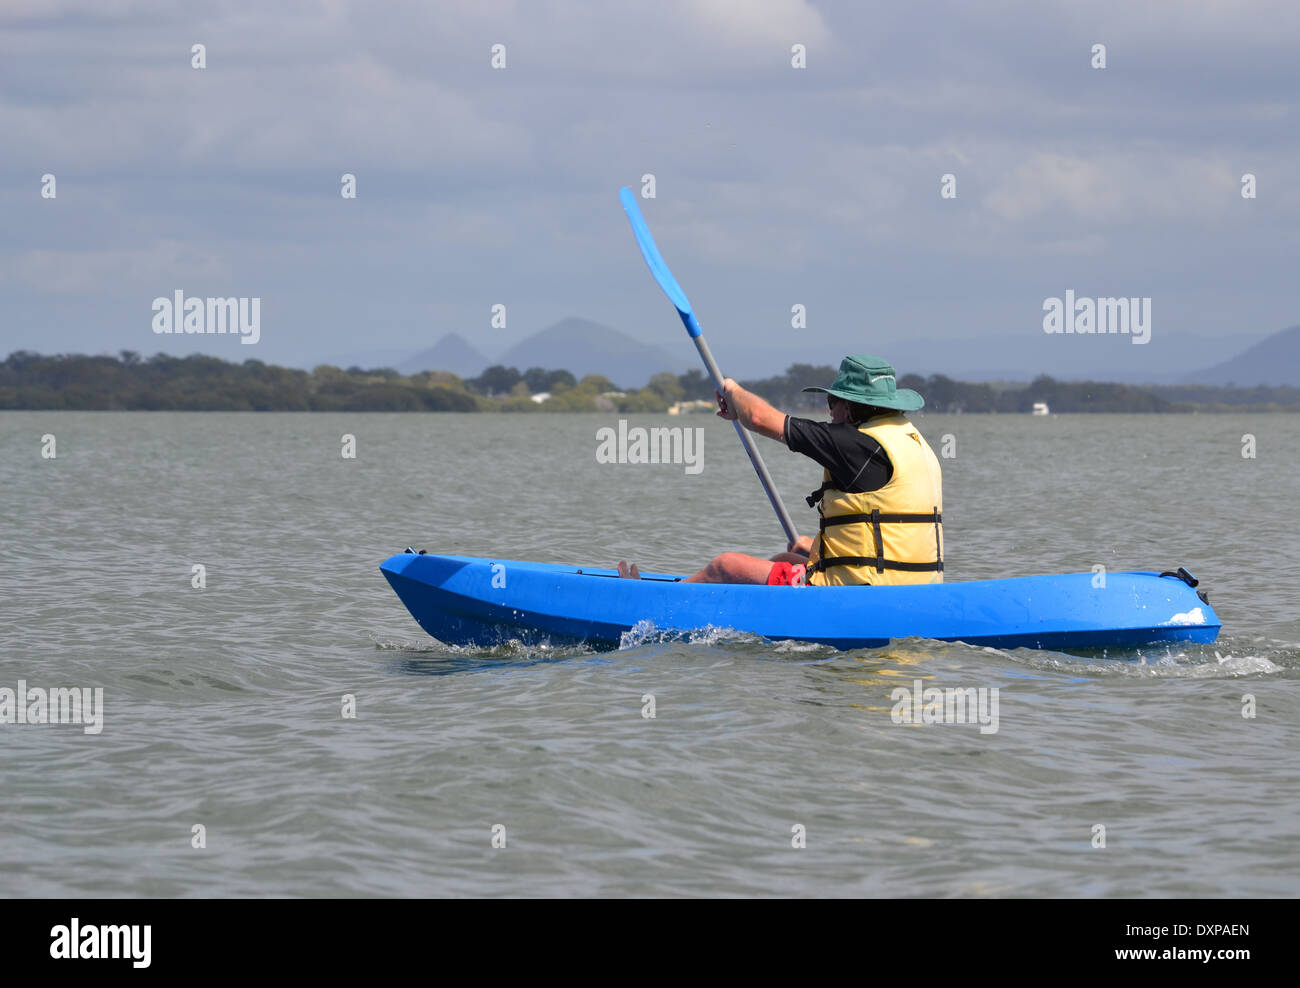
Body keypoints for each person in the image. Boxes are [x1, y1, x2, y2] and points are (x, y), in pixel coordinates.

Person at [616, 354, 943, 586]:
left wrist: (733, 393)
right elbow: (886, 533)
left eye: (832, 403)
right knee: (785, 560)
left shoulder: (854, 443)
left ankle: (651, 604)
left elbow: (760, 419)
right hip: (913, 588)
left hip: (860, 596)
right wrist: (818, 549)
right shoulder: (910, 442)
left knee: (726, 566)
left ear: (850, 407)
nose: (830, 413)